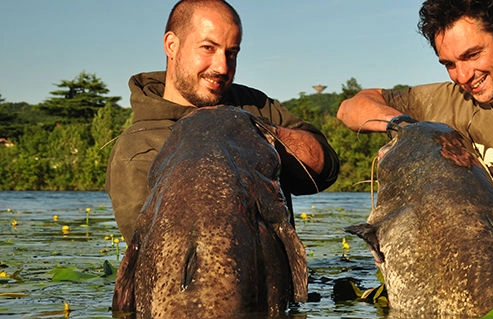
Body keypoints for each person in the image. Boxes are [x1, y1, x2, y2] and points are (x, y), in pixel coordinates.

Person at [337, 0, 493, 248]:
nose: (463, 76)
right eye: (449, 64)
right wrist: (407, 130)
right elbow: (349, 109)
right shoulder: (446, 99)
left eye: (472, 55)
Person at [106, 0, 339, 240]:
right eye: (208, 48)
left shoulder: (253, 104)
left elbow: (324, 171)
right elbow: (155, 255)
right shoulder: (135, 150)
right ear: (172, 45)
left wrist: (255, 130)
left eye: (232, 53)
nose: (222, 66)